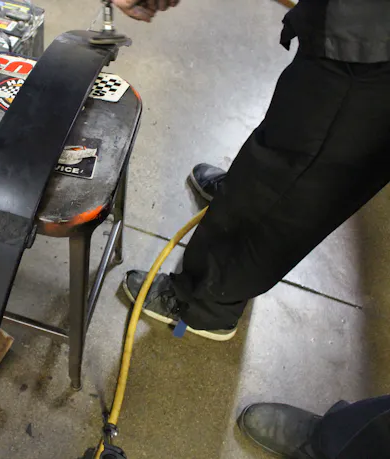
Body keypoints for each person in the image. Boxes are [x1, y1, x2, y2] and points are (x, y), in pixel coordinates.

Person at [110, 0, 390, 458]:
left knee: (305, 168)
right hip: (358, 27)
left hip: (374, 51)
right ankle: (248, 188)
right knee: (298, 128)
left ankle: (205, 304)